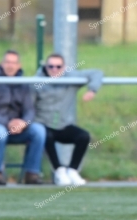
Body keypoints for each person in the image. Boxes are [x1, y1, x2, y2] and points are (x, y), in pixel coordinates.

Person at [0, 50, 46, 185]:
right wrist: (7, 123)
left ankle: (32, 173)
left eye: (14, 63)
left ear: (19, 66)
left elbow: (30, 109)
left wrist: (24, 123)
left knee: (39, 130)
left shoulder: (23, 83)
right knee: (0, 132)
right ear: (1, 63)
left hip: (16, 128)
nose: (10, 66)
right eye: (7, 62)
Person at [33, 53, 103, 186]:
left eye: (58, 66)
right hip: (43, 123)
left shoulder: (71, 77)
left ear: (64, 67)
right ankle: (59, 171)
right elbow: (29, 105)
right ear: (45, 66)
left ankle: (73, 170)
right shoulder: (36, 81)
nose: (54, 69)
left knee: (83, 136)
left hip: (62, 124)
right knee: (45, 135)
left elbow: (97, 73)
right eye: (51, 66)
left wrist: (92, 90)